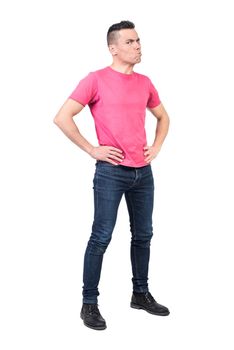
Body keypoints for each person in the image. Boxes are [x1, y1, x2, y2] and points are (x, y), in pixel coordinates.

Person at [53, 20, 170, 330]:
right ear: (113, 48)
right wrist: (92, 149)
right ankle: (88, 303)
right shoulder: (95, 80)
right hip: (111, 173)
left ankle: (140, 294)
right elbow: (62, 117)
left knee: (143, 235)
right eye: (130, 42)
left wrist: (155, 147)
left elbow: (163, 117)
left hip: (143, 174)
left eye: (138, 40)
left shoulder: (145, 82)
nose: (138, 46)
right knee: (101, 237)